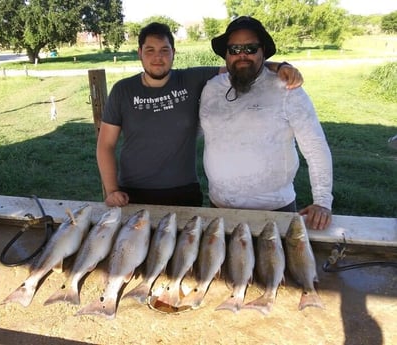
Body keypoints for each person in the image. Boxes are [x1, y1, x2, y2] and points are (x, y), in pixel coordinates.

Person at [96, 22, 303, 208]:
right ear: (139, 52)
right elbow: (105, 145)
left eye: (164, 50)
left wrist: (281, 66)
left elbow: (240, 65)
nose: (157, 57)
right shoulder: (123, 90)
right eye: (150, 50)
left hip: (183, 192)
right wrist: (112, 190)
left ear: (174, 53)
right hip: (133, 192)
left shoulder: (191, 79)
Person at [199, 16, 333, 230]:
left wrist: (322, 201)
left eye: (251, 48)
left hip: (274, 212)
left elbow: (315, 146)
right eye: (234, 49)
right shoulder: (210, 88)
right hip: (219, 208)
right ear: (226, 53)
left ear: (263, 51)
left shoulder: (286, 88)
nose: (242, 54)